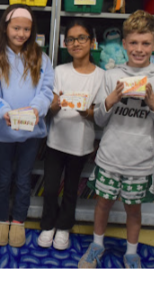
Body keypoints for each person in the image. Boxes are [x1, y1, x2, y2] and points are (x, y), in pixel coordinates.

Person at [80, 11, 154, 269]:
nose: (139, 49)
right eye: (133, 43)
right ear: (124, 44)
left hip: (141, 160)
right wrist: (111, 100)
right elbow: (99, 119)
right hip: (110, 157)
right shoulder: (110, 76)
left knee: (134, 210)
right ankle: (97, 246)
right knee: (102, 204)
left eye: (146, 43)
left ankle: (132, 253)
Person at [0, 4, 54, 249]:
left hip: (31, 132)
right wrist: (4, 112)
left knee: (23, 179)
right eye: (16, 28)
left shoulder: (41, 58)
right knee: (2, 178)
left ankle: (18, 221)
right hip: (3, 131)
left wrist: (35, 110)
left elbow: (46, 91)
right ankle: (2, 219)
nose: (21, 33)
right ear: (6, 27)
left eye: (26, 29)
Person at [39, 19, 106, 252]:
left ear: (92, 41)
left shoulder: (101, 76)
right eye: (71, 39)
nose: (76, 43)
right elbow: (51, 105)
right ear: (65, 43)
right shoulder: (59, 71)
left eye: (82, 38)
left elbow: (100, 114)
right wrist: (54, 105)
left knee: (70, 189)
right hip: (56, 140)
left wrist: (85, 111)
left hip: (81, 143)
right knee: (49, 187)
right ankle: (48, 225)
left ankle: (64, 227)